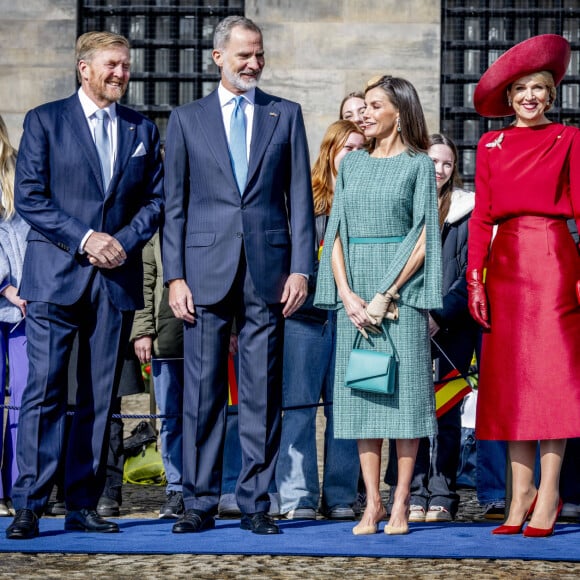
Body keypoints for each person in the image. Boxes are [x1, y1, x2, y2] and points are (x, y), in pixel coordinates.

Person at [6, 30, 163, 540]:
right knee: (44, 393)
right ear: (84, 68)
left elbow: (157, 200)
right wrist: (87, 239)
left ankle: (83, 503)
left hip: (114, 281)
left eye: (125, 65)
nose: (121, 74)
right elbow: (30, 196)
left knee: (100, 399)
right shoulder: (44, 121)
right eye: (112, 65)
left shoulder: (142, 128)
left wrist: (120, 241)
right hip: (54, 278)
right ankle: (29, 502)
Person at [162, 15, 314, 536]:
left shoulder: (284, 114)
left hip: (268, 274)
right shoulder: (185, 119)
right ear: (218, 57)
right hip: (202, 274)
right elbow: (174, 207)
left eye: (260, 54)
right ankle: (199, 501)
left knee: (262, 392)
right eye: (244, 54)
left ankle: (255, 502)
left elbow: (299, 201)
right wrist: (174, 277)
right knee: (201, 392)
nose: (254, 63)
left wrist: (301, 268)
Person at [314, 75, 442, 536]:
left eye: (373, 106)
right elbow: (336, 234)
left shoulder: (418, 165)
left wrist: (386, 292)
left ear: (399, 112)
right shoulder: (351, 165)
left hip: (399, 297)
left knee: (405, 402)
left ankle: (402, 502)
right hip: (356, 300)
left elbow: (425, 233)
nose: (363, 114)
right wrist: (347, 295)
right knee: (363, 401)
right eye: (363, 106)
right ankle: (371, 505)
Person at [468, 34, 580, 537]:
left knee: (552, 382)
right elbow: (480, 218)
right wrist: (475, 278)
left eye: (538, 88)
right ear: (508, 99)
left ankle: (549, 493)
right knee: (511, 385)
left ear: (550, 95)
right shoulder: (490, 144)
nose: (530, 97)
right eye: (520, 90)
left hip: (555, 261)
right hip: (506, 265)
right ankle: (520, 495)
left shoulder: (570, 139)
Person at [385, 133, 479, 522]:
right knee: (404, 412)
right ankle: (407, 490)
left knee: (445, 411)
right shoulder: (401, 206)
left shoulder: (465, 212)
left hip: (450, 326)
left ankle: (441, 492)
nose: (438, 169)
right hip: (403, 322)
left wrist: (438, 315)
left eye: (446, 163)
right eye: (432, 161)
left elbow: (469, 273)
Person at [275, 120, 364, 521]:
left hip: (351, 319)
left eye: (362, 148)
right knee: (299, 409)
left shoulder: (369, 200)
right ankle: (299, 496)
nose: (355, 155)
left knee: (345, 409)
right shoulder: (305, 200)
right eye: (348, 148)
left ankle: (341, 495)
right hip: (304, 318)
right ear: (330, 151)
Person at [0, 115, 29, 518]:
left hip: (25, 306)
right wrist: (4, 284)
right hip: (9, 292)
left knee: (26, 396)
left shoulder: (19, 169)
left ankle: (21, 489)